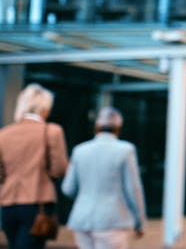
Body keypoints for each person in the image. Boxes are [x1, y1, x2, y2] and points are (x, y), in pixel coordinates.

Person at [62, 107, 146, 249]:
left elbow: (68, 188)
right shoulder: (126, 150)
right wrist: (140, 221)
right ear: (118, 128)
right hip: (112, 220)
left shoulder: (79, 150)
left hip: (81, 219)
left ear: (96, 127)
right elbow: (133, 189)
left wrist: (86, 196)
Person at [0, 83, 69, 249]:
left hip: (7, 204)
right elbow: (60, 169)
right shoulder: (52, 131)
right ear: (45, 108)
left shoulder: (4, 134)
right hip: (38, 205)